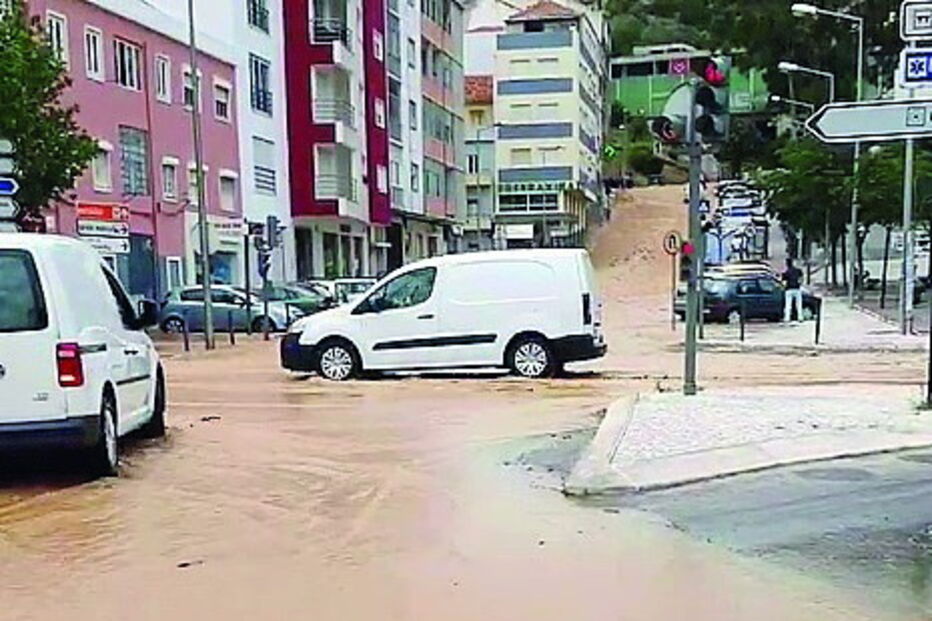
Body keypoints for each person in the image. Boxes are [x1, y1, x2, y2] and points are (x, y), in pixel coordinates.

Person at [783, 258, 804, 323]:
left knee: (788, 305)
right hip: (797, 288)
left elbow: (784, 282)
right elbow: (801, 278)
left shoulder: (786, 272)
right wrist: (799, 283)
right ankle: (800, 317)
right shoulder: (798, 271)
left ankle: (787, 318)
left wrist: (784, 287)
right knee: (799, 304)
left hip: (789, 289)